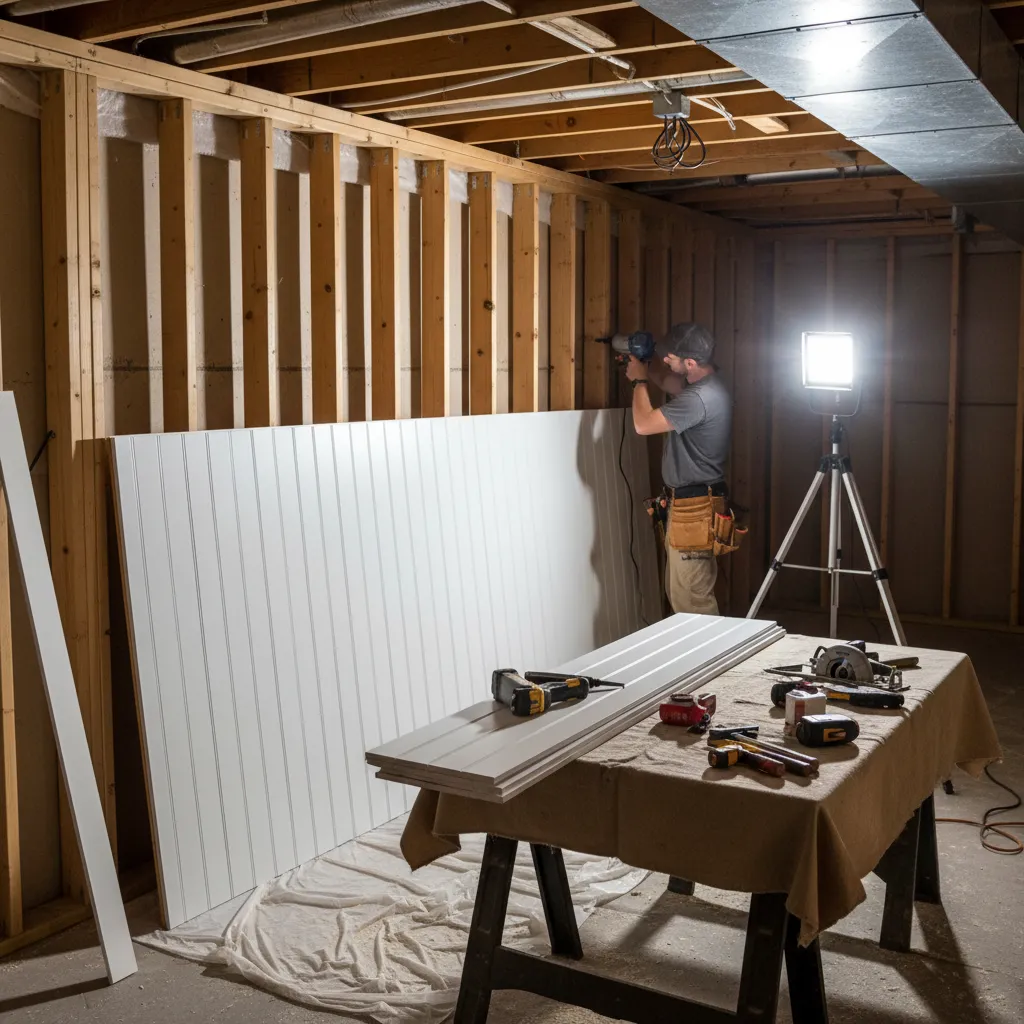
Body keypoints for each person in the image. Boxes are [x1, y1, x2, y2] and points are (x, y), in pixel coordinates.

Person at [625, 322, 732, 615]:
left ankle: (712, 660)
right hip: (693, 505)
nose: (665, 360)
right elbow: (671, 383)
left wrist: (638, 382)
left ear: (690, 362)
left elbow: (643, 425)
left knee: (693, 600)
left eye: (670, 357)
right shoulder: (705, 386)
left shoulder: (698, 399)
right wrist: (643, 366)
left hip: (694, 510)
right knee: (683, 594)